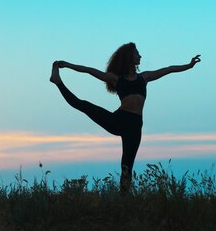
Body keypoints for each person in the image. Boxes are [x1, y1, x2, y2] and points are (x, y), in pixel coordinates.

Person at [50, 42, 201, 193]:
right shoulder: (117, 79)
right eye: (137, 53)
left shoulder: (144, 77)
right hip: (119, 120)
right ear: (129, 57)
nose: (140, 56)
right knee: (83, 105)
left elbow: (168, 70)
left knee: (127, 167)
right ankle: (58, 82)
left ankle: (123, 202)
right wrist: (68, 65)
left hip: (135, 126)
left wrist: (189, 65)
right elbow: (89, 71)